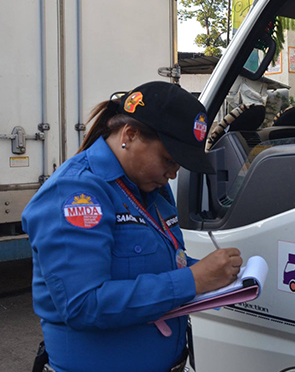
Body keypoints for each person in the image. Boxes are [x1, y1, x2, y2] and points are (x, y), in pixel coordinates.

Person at [23, 81, 243, 372]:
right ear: (130, 135)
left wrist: (213, 272)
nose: (173, 174)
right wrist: (193, 280)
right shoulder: (76, 193)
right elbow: (83, 304)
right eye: (168, 160)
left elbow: (156, 262)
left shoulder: (151, 189)